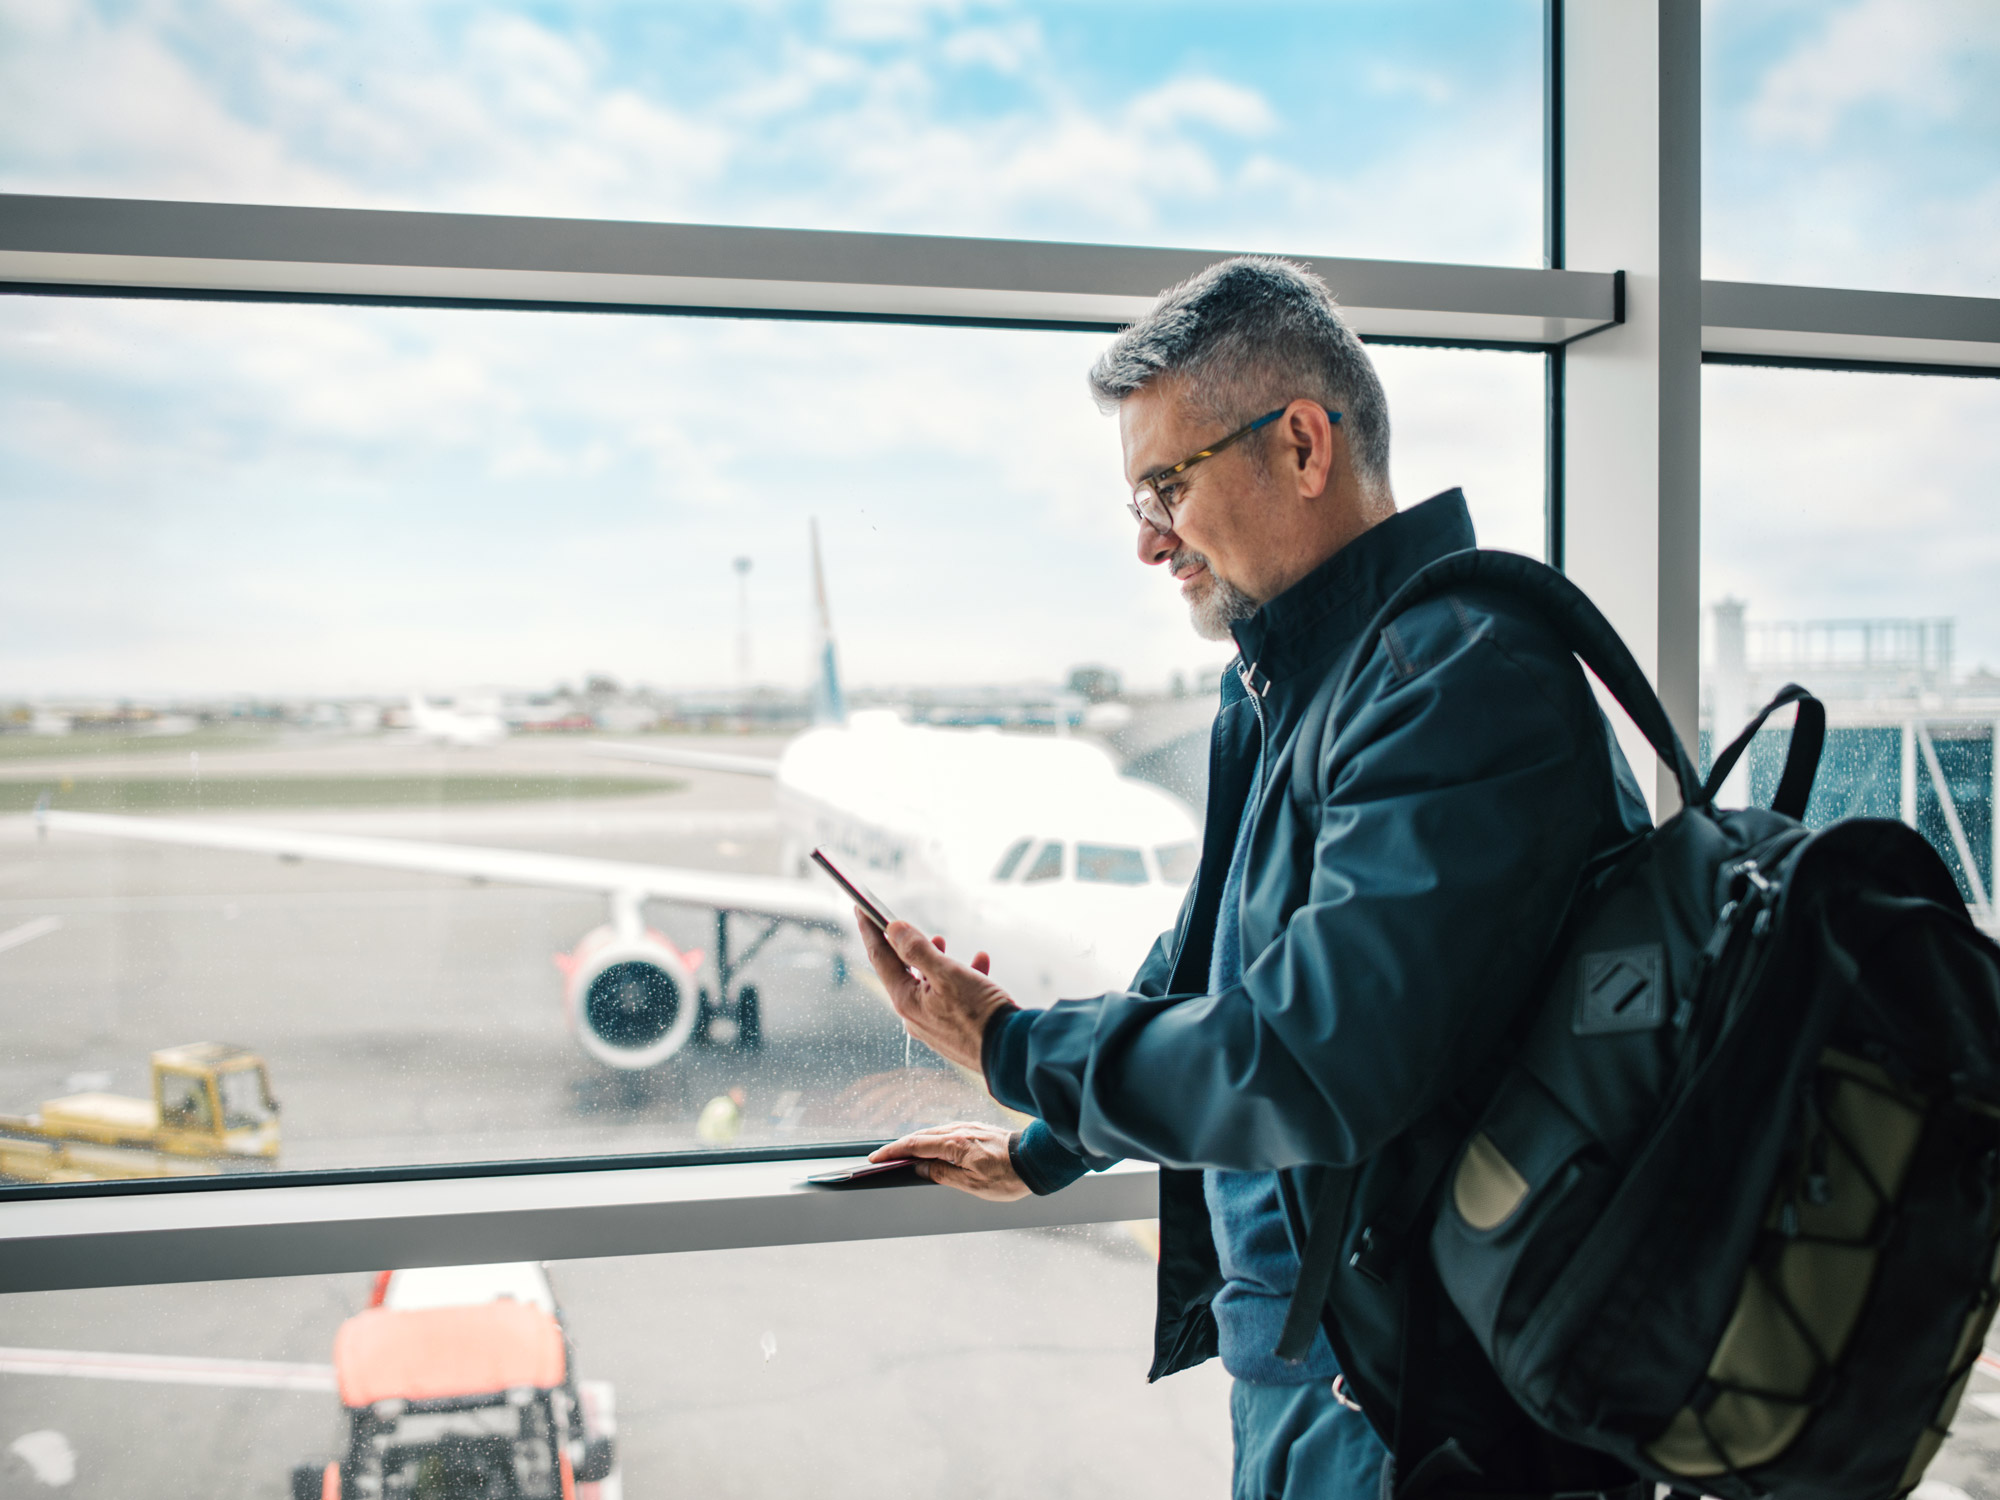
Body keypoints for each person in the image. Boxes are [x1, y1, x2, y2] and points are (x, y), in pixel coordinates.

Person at [859, 257, 1652, 1500]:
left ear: (1298, 445)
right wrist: (1049, 1140)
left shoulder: (1456, 682)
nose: (1143, 540)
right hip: (1317, 1366)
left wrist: (1014, 1044)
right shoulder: (1297, 684)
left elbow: (1310, 1061)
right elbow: (1204, 963)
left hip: (1421, 1405)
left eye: (1165, 484)